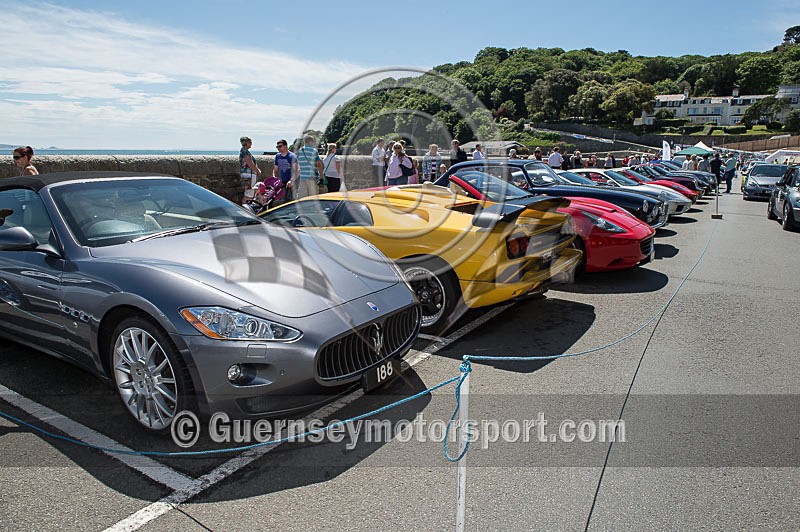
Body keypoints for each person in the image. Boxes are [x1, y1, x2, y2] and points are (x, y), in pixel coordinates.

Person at [296, 135, 323, 199]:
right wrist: (322, 176)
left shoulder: (300, 151)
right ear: (310, 141)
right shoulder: (314, 151)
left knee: (302, 197)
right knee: (313, 198)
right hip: (312, 177)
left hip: (302, 177)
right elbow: (318, 164)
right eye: (313, 141)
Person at [239, 136, 261, 205]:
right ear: (246, 143)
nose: (251, 143)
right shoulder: (245, 152)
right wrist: (258, 171)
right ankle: (246, 209)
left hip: (246, 174)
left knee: (248, 193)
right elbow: (250, 164)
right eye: (250, 142)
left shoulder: (243, 151)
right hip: (249, 175)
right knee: (249, 194)